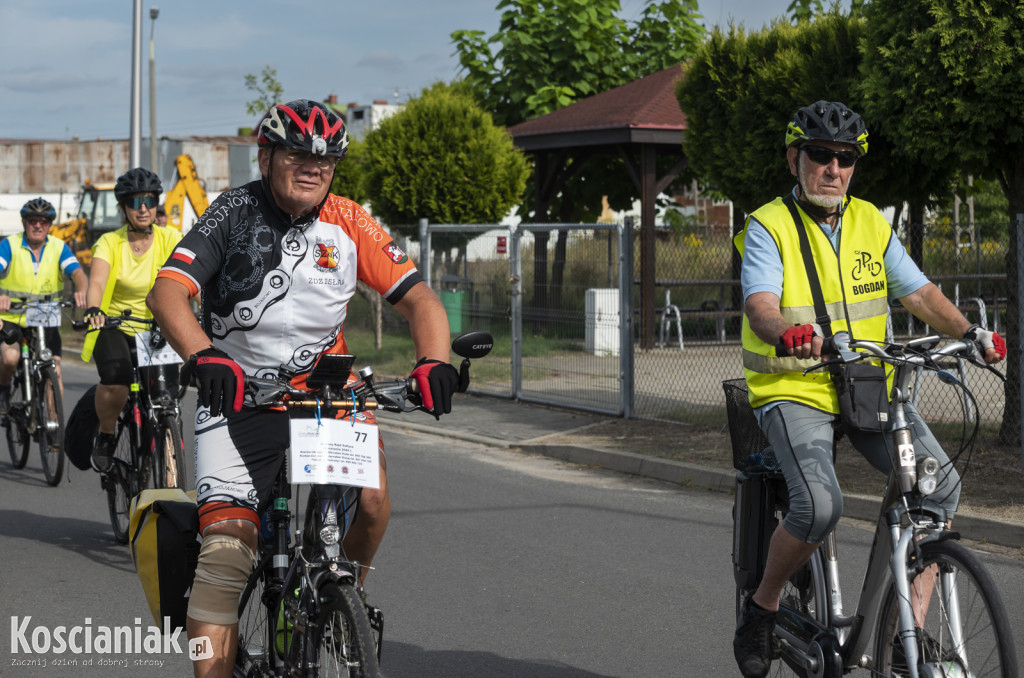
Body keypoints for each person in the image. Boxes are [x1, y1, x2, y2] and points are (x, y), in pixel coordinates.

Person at [146, 98, 458, 678]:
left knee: (372, 502)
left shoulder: (349, 219)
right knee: (224, 555)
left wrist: (433, 362)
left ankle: (341, 606)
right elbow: (168, 291)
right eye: (298, 154)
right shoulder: (232, 211)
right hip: (236, 399)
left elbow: (419, 299)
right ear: (266, 157)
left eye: (327, 158)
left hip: (326, 399)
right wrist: (205, 355)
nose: (314, 167)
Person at [731, 100, 1006, 678]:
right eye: (820, 155)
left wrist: (972, 333)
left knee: (940, 490)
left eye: (845, 157)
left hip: (868, 387)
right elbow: (760, 308)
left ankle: (906, 632)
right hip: (796, 388)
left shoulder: (871, 223)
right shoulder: (767, 226)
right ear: (794, 157)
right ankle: (763, 605)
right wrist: (790, 333)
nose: (833, 167)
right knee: (820, 505)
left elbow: (922, 295)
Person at [83, 167, 183, 472]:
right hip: (115, 324)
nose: (143, 208)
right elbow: (97, 282)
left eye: (150, 200)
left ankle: (165, 451)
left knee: (168, 396)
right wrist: (93, 308)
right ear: (124, 207)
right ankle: (107, 435)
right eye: (136, 201)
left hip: (158, 327)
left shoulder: (172, 238)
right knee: (116, 377)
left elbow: (193, 279)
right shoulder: (110, 243)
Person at [0, 197, 88, 411]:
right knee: (10, 359)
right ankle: (3, 390)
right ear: (24, 223)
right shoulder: (9, 245)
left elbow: (77, 272)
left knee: (54, 370)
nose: (37, 225)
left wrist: (82, 289)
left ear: (49, 225)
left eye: (43, 221)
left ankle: (54, 431)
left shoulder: (59, 247)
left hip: (46, 321)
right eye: (32, 221)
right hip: (14, 319)